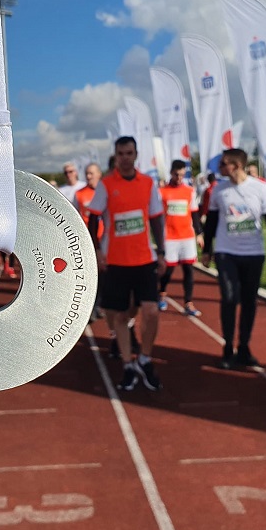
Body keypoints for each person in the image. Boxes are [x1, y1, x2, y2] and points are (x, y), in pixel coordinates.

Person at [87, 136, 166, 391]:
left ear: (136, 154)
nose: (125, 157)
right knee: (120, 315)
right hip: (116, 261)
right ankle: (127, 365)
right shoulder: (107, 184)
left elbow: (155, 218)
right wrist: (97, 250)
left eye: (129, 153)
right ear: (116, 155)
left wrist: (162, 251)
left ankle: (144, 357)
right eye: (120, 153)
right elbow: (93, 218)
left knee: (151, 311)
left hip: (144, 259)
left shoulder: (148, 183)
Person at [202, 148, 266, 369]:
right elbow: (211, 220)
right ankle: (228, 347)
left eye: (223, 164)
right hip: (226, 253)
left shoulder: (261, 188)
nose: (219, 168)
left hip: (253, 253)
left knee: (249, 301)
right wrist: (207, 250)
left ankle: (244, 347)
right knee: (229, 298)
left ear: (236, 165)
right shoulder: (219, 190)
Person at [158, 159, 204, 317]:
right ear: (171, 173)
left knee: (189, 270)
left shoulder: (189, 191)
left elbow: (194, 213)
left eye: (182, 175)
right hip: (170, 237)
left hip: (187, 237)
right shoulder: (162, 192)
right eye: (177, 175)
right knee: (168, 270)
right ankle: (162, 293)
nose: (179, 178)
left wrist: (199, 234)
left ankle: (188, 303)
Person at [74, 163, 105, 322]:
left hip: (103, 241)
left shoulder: (105, 192)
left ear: (99, 174)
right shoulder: (79, 194)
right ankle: (89, 309)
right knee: (88, 276)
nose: (88, 177)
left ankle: (98, 305)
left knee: (102, 276)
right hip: (85, 242)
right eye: (86, 173)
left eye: (92, 173)